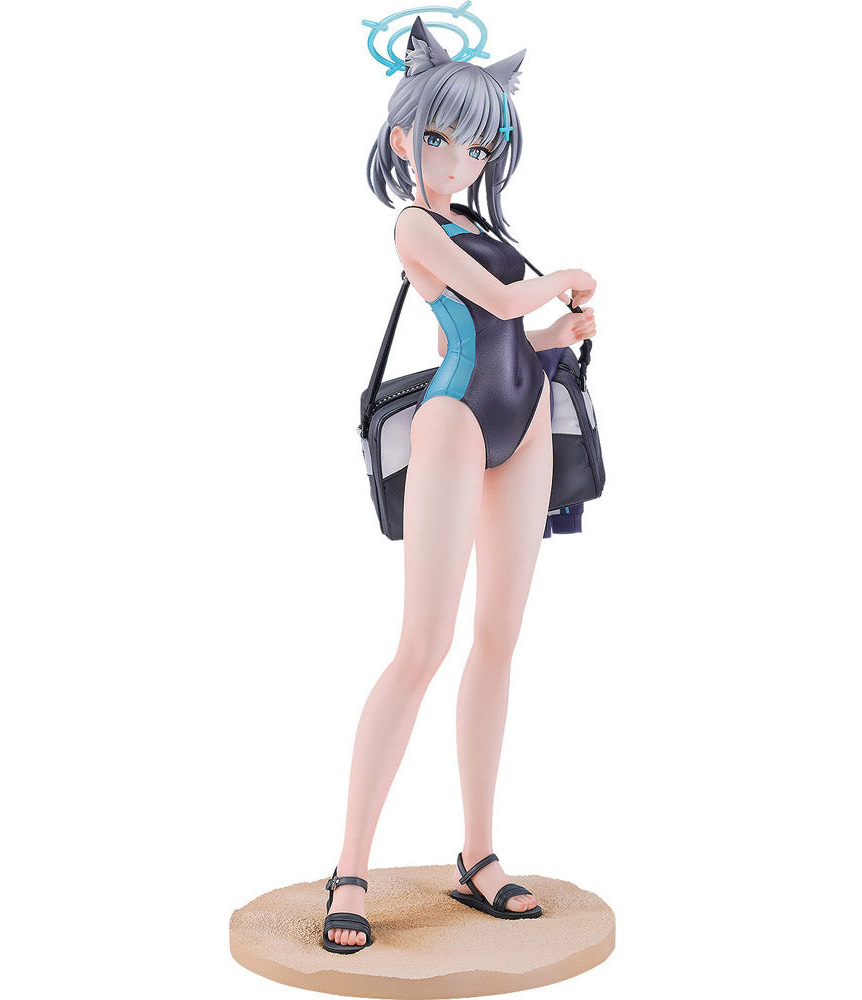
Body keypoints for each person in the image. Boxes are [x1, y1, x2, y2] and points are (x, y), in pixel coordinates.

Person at [322, 18, 597, 953]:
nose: (459, 160)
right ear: (404, 136)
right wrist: (561, 280)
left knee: (499, 639)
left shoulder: (480, 223)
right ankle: (350, 867)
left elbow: (519, 332)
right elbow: (502, 303)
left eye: (479, 146)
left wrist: (565, 334)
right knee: (423, 645)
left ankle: (478, 852)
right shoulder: (414, 224)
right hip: (455, 421)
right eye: (442, 138)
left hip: (526, 418)